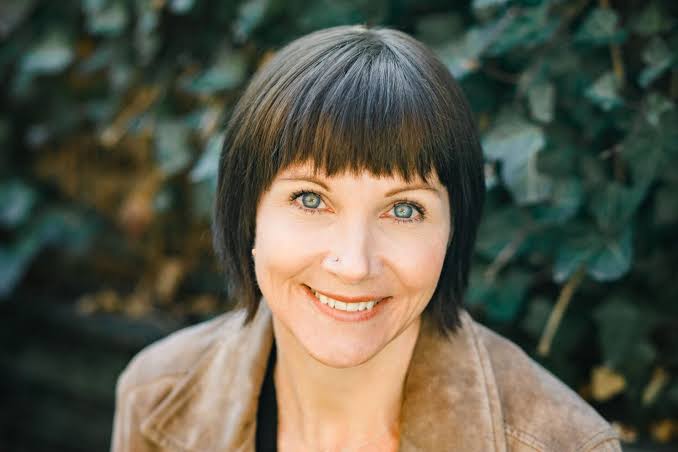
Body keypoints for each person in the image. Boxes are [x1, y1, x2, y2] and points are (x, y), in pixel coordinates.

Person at [111, 25, 622, 452]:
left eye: (404, 209)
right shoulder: (155, 393)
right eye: (311, 200)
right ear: (247, 215)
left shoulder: (565, 444)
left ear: (453, 233)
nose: (354, 264)